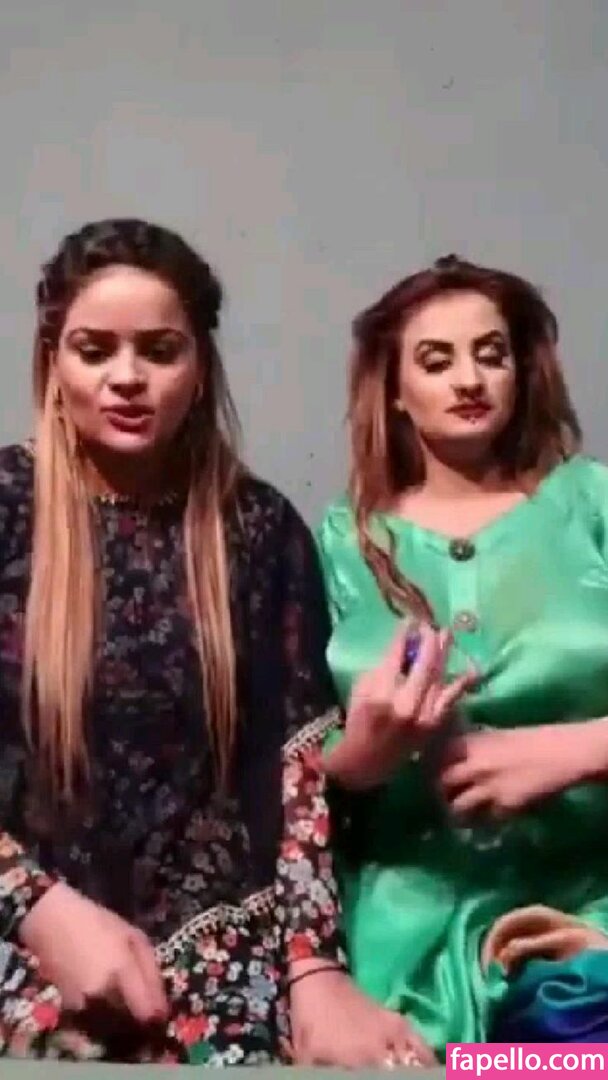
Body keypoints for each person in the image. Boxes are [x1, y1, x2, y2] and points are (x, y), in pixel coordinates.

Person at [0, 218, 449, 1066]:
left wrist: (313, 969)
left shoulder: (259, 528)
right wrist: (33, 904)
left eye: (159, 350)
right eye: (94, 351)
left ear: (200, 366)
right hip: (22, 932)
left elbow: (299, 763)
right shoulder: (7, 507)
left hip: (223, 950)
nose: (127, 377)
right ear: (52, 362)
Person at [316, 254, 608, 1056]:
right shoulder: (341, 543)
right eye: (436, 360)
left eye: (491, 354)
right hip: (400, 950)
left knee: (552, 1065)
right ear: (395, 389)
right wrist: (358, 761)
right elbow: (293, 775)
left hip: (586, 923)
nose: (469, 379)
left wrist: (580, 748)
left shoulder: (593, 506)